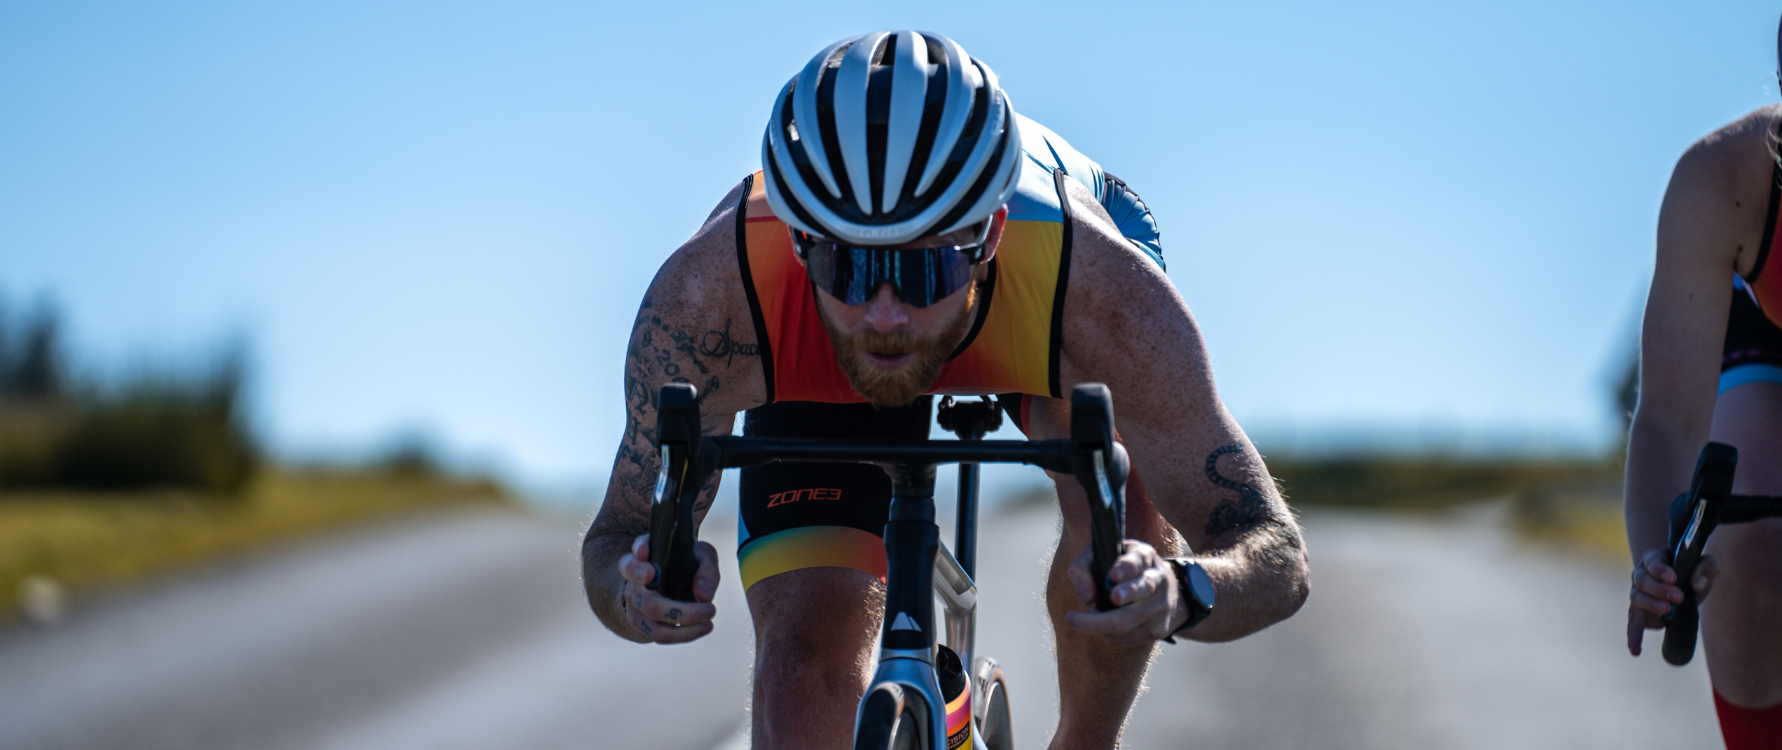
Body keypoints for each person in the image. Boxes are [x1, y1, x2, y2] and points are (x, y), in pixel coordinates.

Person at [582, 31, 1310, 749]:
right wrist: (638, 588)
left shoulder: (1103, 296)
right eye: (850, 270)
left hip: (1037, 312)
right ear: (800, 242)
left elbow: (1273, 552)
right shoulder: (711, 300)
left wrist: (1177, 591)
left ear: (989, 235)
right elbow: (615, 539)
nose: (885, 315)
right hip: (828, 354)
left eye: (925, 269)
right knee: (800, 676)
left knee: (1118, 513)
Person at [1624, 21, 1782, 748]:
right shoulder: (1722, 182)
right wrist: (1659, 558)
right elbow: (1669, 419)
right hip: (1761, 324)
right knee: (1751, 534)